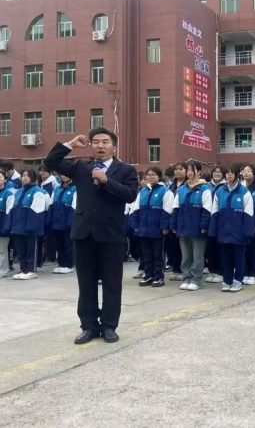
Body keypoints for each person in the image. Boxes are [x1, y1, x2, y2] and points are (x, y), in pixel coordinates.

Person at [43, 128, 138, 344]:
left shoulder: (126, 170)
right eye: (95, 142)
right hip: (84, 233)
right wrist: (70, 145)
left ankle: (109, 326)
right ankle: (88, 326)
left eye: (105, 142)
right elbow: (51, 162)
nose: (100, 146)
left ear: (114, 147)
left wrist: (106, 180)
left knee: (112, 283)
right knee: (86, 283)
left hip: (111, 234)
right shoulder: (82, 167)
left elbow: (130, 195)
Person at [209, 164, 254, 293]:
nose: (229, 175)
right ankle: (227, 280)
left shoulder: (244, 191)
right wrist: (213, 231)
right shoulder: (220, 192)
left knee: (239, 258)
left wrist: (248, 232)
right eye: (227, 173)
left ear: (236, 175)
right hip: (223, 232)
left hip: (239, 232)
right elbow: (214, 212)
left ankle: (238, 281)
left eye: (232, 173)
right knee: (225, 258)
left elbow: (249, 213)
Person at [170, 161, 212, 291]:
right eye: (187, 170)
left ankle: (196, 279)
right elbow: (175, 208)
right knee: (186, 255)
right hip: (183, 227)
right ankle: (187, 278)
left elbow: (207, 209)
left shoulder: (204, 188)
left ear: (198, 171)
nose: (189, 172)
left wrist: (204, 225)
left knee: (197, 256)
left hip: (197, 228)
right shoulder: (181, 189)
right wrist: (174, 224)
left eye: (191, 170)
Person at [130, 167, 173, 288]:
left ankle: (158, 277)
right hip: (144, 230)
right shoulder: (143, 191)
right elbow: (136, 209)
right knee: (146, 254)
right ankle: (148, 275)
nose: (150, 177)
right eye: (148, 175)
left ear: (159, 177)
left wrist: (165, 227)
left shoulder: (165, 192)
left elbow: (168, 211)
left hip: (158, 230)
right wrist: (135, 225)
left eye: (153, 175)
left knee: (158, 255)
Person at [6, 169, 49, 280]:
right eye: (23, 175)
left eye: (27, 176)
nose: (24, 178)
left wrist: (31, 227)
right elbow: (12, 209)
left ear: (33, 178)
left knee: (31, 249)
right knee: (21, 250)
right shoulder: (18, 192)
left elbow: (37, 211)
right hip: (18, 227)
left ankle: (31, 269)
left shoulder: (38, 192)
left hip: (30, 228)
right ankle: (23, 269)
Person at [47, 174, 76, 274]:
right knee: (58, 244)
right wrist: (50, 219)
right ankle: (61, 263)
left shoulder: (75, 189)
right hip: (56, 221)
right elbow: (51, 204)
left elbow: (74, 206)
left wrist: (70, 221)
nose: (64, 176)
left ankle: (68, 264)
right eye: (62, 175)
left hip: (67, 221)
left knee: (68, 243)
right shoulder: (57, 189)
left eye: (66, 174)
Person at [205, 165, 226, 283]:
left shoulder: (225, 186)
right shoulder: (207, 186)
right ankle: (212, 270)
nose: (217, 174)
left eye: (219, 172)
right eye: (215, 172)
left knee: (220, 248)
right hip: (208, 221)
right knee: (210, 247)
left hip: (220, 221)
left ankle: (220, 272)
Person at [167, 163, 187, 281]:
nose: (178, 171)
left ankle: (184, 270)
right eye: (176, 169)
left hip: (183, 218)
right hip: (172, 218)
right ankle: (175, 269)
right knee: (173, 246)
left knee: (183, 247)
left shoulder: (188, 185)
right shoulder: (171, 186)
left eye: (181, 169)